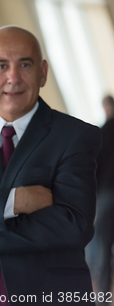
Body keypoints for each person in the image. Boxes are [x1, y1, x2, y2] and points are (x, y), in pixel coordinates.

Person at [0, 26, 101, 305]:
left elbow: (74, 225)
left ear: (42, 72)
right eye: (1, 66)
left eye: (24, 64)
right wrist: (16, 200)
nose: (13, 77)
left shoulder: (76, 136)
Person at [93, 95, 114, 297]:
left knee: (104, 250)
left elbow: (94, 170)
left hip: (107, 196)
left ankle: (103, 296)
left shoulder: (101, 134)